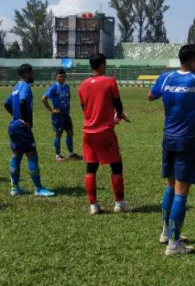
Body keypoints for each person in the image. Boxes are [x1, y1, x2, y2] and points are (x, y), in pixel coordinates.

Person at [148, 34, 195, 256]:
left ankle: (165, 232)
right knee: (181, 192)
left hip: (167, 140)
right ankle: (174, 244)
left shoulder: (166, 78)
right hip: (186, 142)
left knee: (170, 187)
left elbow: (150, 96)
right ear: (191, 62)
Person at [78, 53, 131, 215]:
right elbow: (117, 104)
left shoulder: (82, 85)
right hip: (105, 132)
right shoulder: (110, 81)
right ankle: (119, 203)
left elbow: (84, 108)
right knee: (116, 165)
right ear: (101, 65)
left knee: (91, 168)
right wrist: (120, 114)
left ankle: (93, 205)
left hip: (88, 131)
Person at [4, 64, 55, 197]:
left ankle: (14, 188)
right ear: (26, 73)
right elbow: (22, 102)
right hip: (21, 127)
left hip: (13, 125)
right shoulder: (25, 87)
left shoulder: (16, 87)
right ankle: (38, 188)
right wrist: (25, 120)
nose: (33, 75)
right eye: (31, 72)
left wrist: (16, 117)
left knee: (17, 154)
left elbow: (6, 104)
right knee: (32, 155)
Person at [42, 69, 82, 162]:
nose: (61, 78)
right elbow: (43, 99)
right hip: (58, 116)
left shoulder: (67, 87)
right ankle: (57, 155)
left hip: (66, 115)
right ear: (57, 77)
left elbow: (68, 99)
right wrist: (52, 110)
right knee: (58, 134)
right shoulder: (54, 87)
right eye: (60, 76)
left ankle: (71, 153)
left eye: (63, 76)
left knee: (70, 133)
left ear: (65, 77)